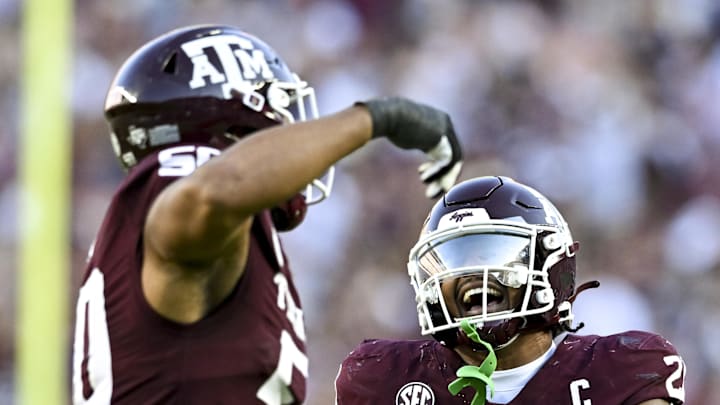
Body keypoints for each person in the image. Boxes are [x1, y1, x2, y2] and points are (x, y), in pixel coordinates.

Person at [70, 24, 463, 405]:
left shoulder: (223, 236)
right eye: (277, 116)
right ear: (233, 130)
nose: (293, 134)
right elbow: (211, 192)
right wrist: (378, 118)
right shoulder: (188, 188)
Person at [335, 176, 686, 405]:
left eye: (490, 253)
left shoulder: (624, 370)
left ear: (551, 266)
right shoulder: (382, 377)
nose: (471, 275)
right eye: (451, 261)